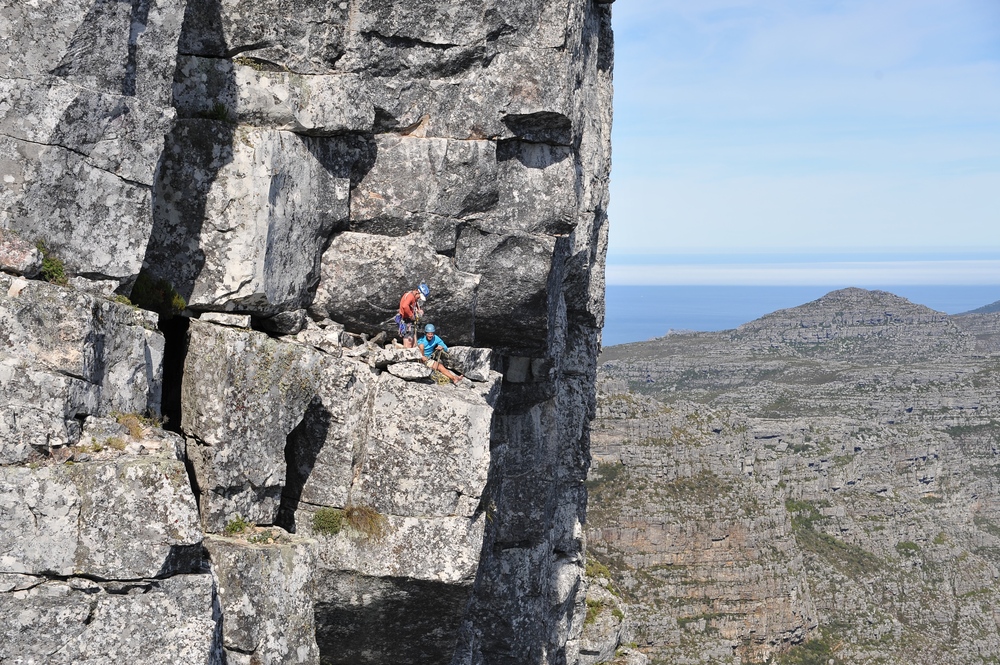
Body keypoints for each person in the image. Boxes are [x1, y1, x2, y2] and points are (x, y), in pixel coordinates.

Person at [396, 282, 429, 348]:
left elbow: (412, 306)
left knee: (414, 343)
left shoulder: (413, 297)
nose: (419, 298)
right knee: (409, 343)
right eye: (419, 296)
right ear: (417, 292)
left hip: (409, 322)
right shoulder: (410, 296)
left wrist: (418, 311)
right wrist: (411, 316)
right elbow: (405, 306)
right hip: (407, 321)